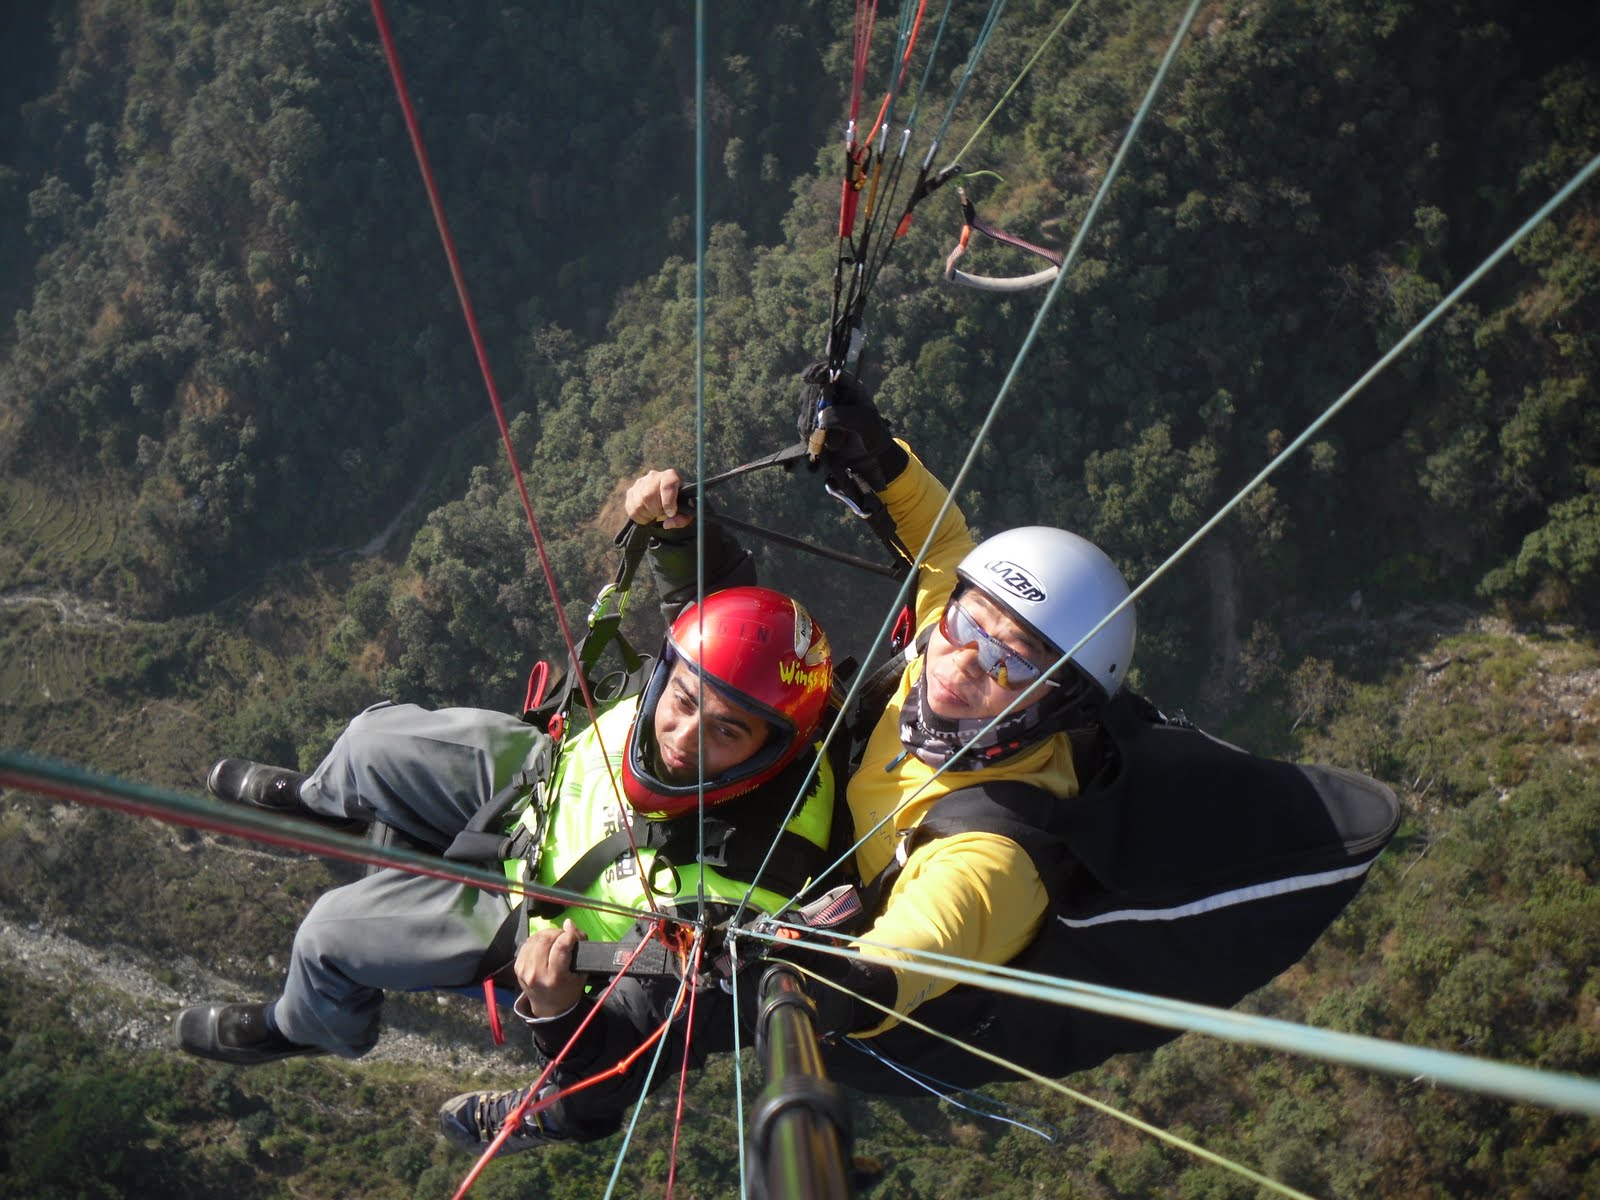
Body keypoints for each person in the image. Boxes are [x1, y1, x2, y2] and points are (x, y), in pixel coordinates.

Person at [172, 474, 844, 1151]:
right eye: (684, 699)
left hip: (541, 915)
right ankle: (328, 802)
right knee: (370, 740)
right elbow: (722, 609)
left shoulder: (738, 896)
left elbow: (635, 1052)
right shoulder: (743, 691)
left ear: (772, 752)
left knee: (327, 937)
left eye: (724, 732)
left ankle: (308, 1025)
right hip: (546, 780)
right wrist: (678, 528)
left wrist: (555, 1013)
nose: (684, 736)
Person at [782, 365, 1398, 1092]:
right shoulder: (945, 635)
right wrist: (878, 456)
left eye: (1012, 660)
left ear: (1062, 704)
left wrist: (837, 984)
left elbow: (925, 943)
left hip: (839, 944)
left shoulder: (999, 848)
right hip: (816, 820)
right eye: (968, 622)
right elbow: (939, 533)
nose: (964, 660)